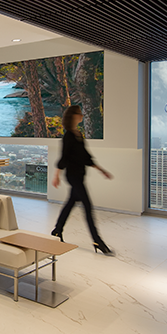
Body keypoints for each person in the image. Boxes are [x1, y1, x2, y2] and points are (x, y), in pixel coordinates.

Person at [50, 105, 114, 256]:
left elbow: (86, 157)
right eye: (79, 114)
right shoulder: (68, 137)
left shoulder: (78, 135)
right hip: (72, 176)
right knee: (87, 206)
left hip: (79, 175)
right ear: (72, 117)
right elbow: (64, 157)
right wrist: (56, 175)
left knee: (70, 203)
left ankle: (57, 230)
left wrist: (101, 170)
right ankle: (97, 240)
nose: (82, 116)